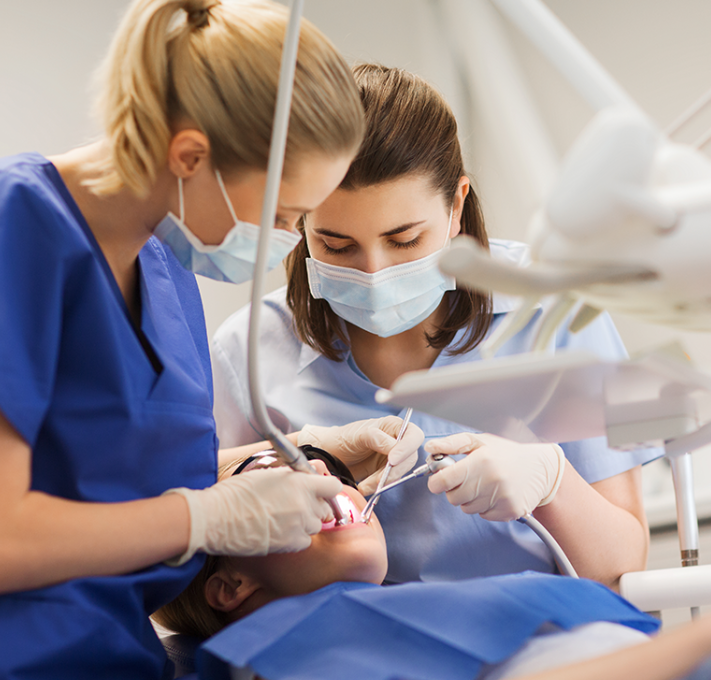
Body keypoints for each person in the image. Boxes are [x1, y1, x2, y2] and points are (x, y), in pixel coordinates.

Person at [0, 3, 421, 680]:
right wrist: (207, 518)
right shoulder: (6, 224)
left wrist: (304, 452)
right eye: (283, 215)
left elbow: (100, 476)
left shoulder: (164, 266)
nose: (288, 240)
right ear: (189, 157)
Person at [210, 64, 661, 588]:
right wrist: (302, 455)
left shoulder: (559, 312)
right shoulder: (247, 351)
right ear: (298, 221)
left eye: (404, 240)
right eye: (336, 245)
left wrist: (553, 482)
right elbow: (195, 552)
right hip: (353, 650)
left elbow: (624, 567)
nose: (374, 273)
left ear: (456, 207)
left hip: (542, 636)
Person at [155, 480, 711, 680]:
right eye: (270, 479)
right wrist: (705, 642)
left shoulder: (396, 605)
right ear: (230, 585)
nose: (313, 476)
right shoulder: (262, 649)